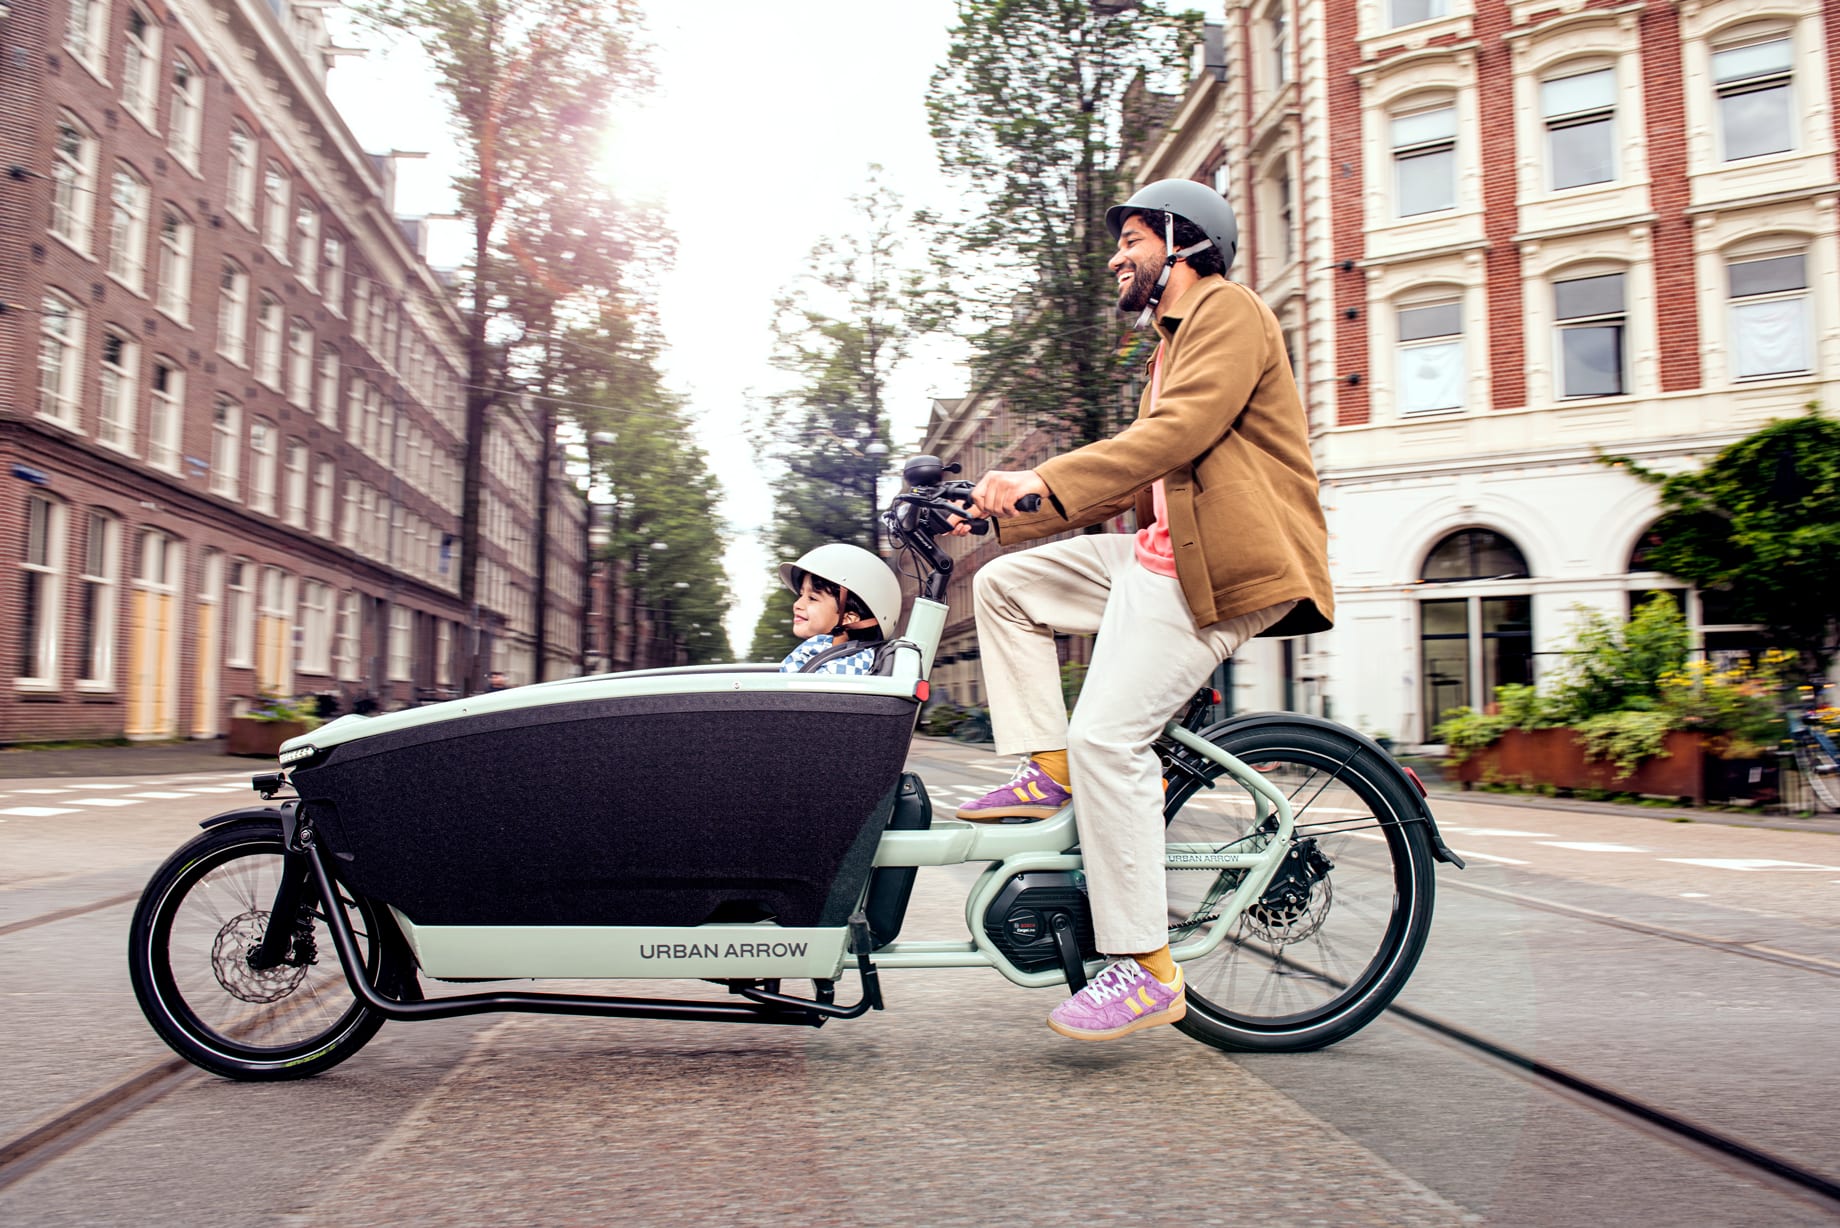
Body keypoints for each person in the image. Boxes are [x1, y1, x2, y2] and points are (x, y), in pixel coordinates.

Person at [953, 179, 1335, 1042]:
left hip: (1217, 568)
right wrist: (1002, 513)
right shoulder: (1168, 345)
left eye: (1131, 240)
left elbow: (1177, 435)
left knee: (1109, 738)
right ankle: (1050, 766)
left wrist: (1040, 476)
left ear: (1183, 241)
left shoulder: (1229, 312)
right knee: (1005, 586)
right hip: (1160, 557)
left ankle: (1147, 970)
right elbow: (1132, 479)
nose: (1117, 259)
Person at [777, 543, 901, 676]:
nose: (797, 604)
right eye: (801, 595)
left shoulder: (847, 667)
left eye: (812, 598)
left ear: (849, 618)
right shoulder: (815, 654)